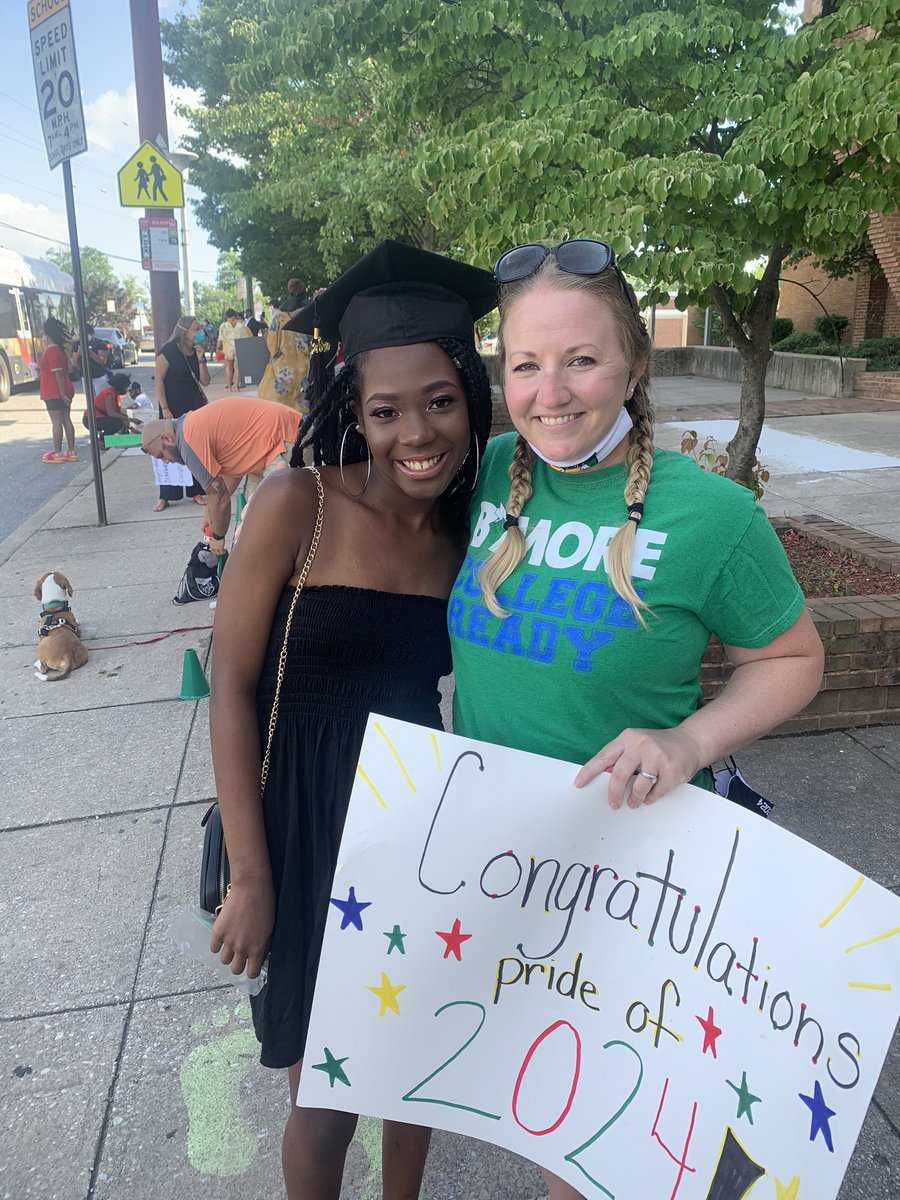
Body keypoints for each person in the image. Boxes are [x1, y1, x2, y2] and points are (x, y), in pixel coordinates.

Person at [449, 239, 825, 1199]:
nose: (550, 391)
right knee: (539, 1113)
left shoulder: (715, 516)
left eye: (581, 359)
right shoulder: (482, 476)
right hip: (500, 861)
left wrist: (689, 739)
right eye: (526, 364)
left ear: (636, 365)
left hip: (635, 872)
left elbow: (793, 659)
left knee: (593, 1146)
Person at [206, 240, 495, 1200]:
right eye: (385, 410)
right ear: (353, 411)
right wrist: (252, 875)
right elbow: (231, 686)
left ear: (471, 399)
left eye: (440, 402)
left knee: (414, 1081)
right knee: (323, 1102)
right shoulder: (301, 504)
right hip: (303, 818)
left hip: (412, 829)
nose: (417, 431)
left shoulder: (468, 537)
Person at [141, 395, 302, 557]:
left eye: (161, 455)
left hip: (284, 438)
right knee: (249, 528)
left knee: (272, 529)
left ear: (167, 438)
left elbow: (220, 498)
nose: (166, 462)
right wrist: (210, 511)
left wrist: (218, 536)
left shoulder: (188, 441)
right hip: (265, 446)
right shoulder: (189, 427)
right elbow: (230, 476)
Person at [152, 315, 211, 511]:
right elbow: (158, 380)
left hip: (193, 407)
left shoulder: (195, 352)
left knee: (194, 448)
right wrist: (165, 408)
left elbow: (205, 381)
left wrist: (201, 359)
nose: (199, 332)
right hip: (172, 406)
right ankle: (166, 495)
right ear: (185, 331)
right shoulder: (168, 352)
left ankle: (196, 490)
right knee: (169, 448)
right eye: (196, 329)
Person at [257, 291, 311, 411]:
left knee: (282, 409)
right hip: (305, 370)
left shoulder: (279, 319)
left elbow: (273, 347)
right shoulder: (310, 318)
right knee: (303, 408)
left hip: (282, 371)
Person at [38, 317, 77, 463]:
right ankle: (71, 450)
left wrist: (61, 393)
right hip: (65, 387)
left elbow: (58, 372)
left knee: (56, 421)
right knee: (66, 418)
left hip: (53, 390)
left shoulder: (51, 351)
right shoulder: (60, 350)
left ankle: (57, 452)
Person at [83, 372, 134, 440]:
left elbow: (118, 411)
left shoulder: (114, 394)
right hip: (90, 419)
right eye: (125, 387)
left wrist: (127, 419)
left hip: (97, 418)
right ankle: (102, 439)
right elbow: (111, 413)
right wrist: (128, 419)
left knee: (121, 420)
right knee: (118, 423)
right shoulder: (109, 393)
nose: (126, 390)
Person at [217, 309, 251, 391]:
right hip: (238, 347)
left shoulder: (223, 325)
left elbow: (220, 338)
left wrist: (218, 348)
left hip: (227, 347)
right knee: (237, 368)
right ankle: (237, 385)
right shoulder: (240, 326)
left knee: (229, 368)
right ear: (235, 316)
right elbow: (245, 338)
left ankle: (229, 387)